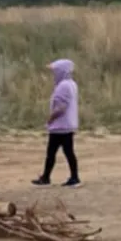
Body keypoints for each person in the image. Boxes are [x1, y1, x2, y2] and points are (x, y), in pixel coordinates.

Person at [31, 59, 81, 187]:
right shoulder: (71, 84)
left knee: (53, 153)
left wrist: (51, 118)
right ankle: (70, 176)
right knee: (67, 152)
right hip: (67, 125)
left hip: (60, 126)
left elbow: (61, 107)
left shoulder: (63, 86)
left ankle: (48, 177)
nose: (54, 74)